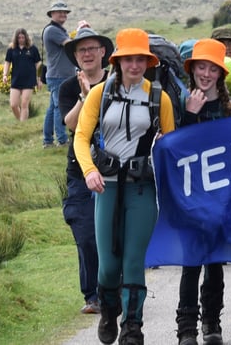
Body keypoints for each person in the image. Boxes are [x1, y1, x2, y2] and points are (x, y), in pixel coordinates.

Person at [73, 28, 175, 345]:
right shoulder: (98, 94)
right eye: (129, 59)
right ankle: (109, 311)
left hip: (143, 188)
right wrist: (89, 171)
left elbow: (171, 146)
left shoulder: (160, 98)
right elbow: (80, 137)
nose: (134, 65)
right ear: (118, 61)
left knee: (133, 262)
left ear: (148, 61)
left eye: (140, 59)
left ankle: (133, 327)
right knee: (107, 268)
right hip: (107, 188)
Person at [176, 39, 231, 345]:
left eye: (211, 68)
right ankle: (187, 327)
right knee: (191, 262)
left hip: (223, 199)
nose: (205, 74)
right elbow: (175, 150)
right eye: (200, 67)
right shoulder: (181, 105)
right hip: (191, 197)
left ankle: (212, 322)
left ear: (220, 72)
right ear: (192, 72)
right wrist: (190, 115)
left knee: (215, 262)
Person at [59, 28, 113, 316]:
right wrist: (85, 97)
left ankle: (113, 289)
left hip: (114, 169)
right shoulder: (69, 87)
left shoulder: (116, 83)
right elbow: (69, 124)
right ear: (76, 57)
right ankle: (92, 295)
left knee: (113, 232)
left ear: (103, 52)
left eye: (92, 48)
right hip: (79, 170)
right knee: (85, 232)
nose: (88, 54)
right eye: (82, 51)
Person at [42, 1, 75, 147]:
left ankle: (48, 140)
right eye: (59, 12)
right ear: (52, 14)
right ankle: (62, 140)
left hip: (58, 74)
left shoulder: (59, 29)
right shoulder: (53, 31)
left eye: (65, 12)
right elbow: (70, 45)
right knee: (58, 107)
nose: (63, 14)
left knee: (52, 108)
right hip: (58, 75)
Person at [2, 28, 42, 121]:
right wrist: (5, 75)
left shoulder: (33, 49)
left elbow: (38, 64)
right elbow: (7, 63)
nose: (21, 39)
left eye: (23, 37)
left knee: (24, 104)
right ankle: (21, 121)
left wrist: (39, 78)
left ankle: (23, 125)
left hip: (29, 80)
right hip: (16, 80)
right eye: (19, 37)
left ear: (26, 37)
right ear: (16, 38)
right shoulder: (11, 49)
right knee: (13, 104)